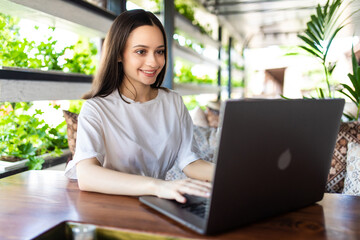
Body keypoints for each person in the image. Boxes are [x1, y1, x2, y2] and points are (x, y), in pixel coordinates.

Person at [64, 9, 214, 203]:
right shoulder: (96, 109)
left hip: (156, 205)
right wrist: (157, 186)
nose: (153, 62)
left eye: (159, 51)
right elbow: (87, 175)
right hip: (111, 206)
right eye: (141, 51)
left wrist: (237, 174)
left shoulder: (173, 102)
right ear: (119, 54)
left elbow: (190, 162)